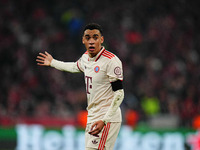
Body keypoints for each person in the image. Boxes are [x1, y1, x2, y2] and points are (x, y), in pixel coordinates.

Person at [36, 23, 124, 150]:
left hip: (106, 117)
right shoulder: (85, 58)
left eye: (95, 37)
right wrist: (53, 62)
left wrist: (105, 120)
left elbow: (119, 93)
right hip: (92, 116)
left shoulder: (111, 61)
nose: (92, 41)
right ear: (83, 40)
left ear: (102, 39)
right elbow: (73, 67)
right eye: (88, 38)